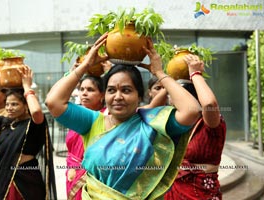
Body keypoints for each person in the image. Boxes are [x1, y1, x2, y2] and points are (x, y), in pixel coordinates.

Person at [45, 33, 201, 199]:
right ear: (104, 95)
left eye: (126, 90)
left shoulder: (152, 123)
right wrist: (84, 66)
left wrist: (160, 73)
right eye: (111, 90)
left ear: (139, 96)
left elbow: (191, 110)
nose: (118, 96)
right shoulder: (92, 121)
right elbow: (53, 102)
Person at [0, 66, 57, 200]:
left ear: (26, 106)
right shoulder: (5, 122)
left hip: (25, 180)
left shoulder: (33, 124)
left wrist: (27, 87)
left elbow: (37, 112)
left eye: (14, 104)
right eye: (7, 104)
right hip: (4, 178)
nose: (9, 108)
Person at [164, 54, 227, 200]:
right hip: (172, 194)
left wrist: (195, 73)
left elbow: (209, 104)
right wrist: (168, 77)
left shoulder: (210, 124)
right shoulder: (173, 124)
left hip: (201, 195)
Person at [66, 75, 106, 200]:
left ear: (102, 95)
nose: (84, 93)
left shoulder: (107, 116)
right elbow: (56, 100)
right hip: (71, 172)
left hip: (94, 176)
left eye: (90, 90)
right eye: (82, 89)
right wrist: (73, 73)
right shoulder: (76, 115)